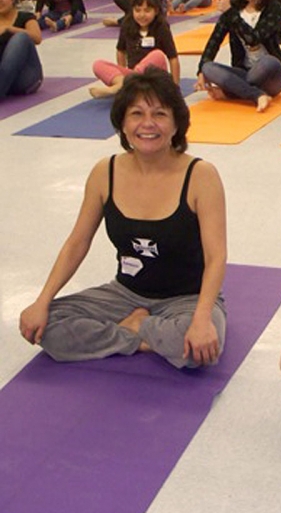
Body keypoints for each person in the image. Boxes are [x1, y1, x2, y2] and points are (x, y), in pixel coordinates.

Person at [19, 67, 227, 370]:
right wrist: (42, 300)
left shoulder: (201, 176)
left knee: (201, 350)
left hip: (187, 297)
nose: (147, 124)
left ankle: (136, 328)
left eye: (159, 114)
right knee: (46, 326)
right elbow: (77, 242)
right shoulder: (105, 172)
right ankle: (140, 334)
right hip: (125, 292)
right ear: (123, 123)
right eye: (136, 114)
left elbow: (217, 256)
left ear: (176, 124)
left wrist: (201, 319)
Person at [196, 0, 281, 113]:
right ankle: (257, 95)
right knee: (208, 68)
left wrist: (231, 13)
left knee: (267, 62)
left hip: (272, 74)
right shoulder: (235, 11)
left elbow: (253, 38)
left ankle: (233, 91)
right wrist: (201, 71)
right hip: (244, 72)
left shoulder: (274, 9)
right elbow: (214, 41)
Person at [91, 0, 180, 98]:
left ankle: (124, 86)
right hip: (132, 74)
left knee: (157, 55)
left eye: (147, 11)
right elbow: (121, 50)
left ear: (156, 11)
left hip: (153, 78)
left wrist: (175, 87)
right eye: (137, 11)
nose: (142, 15)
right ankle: (123, 84)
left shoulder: (161, 28)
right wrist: (120, 75)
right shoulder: (127, 25)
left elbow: (173, 58)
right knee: (98, 64)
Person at [0, 0, 43, 101]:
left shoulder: (25, 17)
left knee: (21, 38)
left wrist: (10, 29)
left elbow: (37, 38)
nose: (0, 0)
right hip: (5, 78)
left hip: (25, 76)